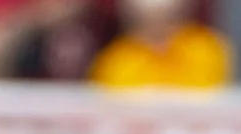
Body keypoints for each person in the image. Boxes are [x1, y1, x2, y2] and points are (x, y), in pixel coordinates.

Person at [88, 0, 232, 90]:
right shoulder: (115, 59)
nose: (158, 29)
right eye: (147, 22)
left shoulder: (206, 49)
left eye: (169, 20)